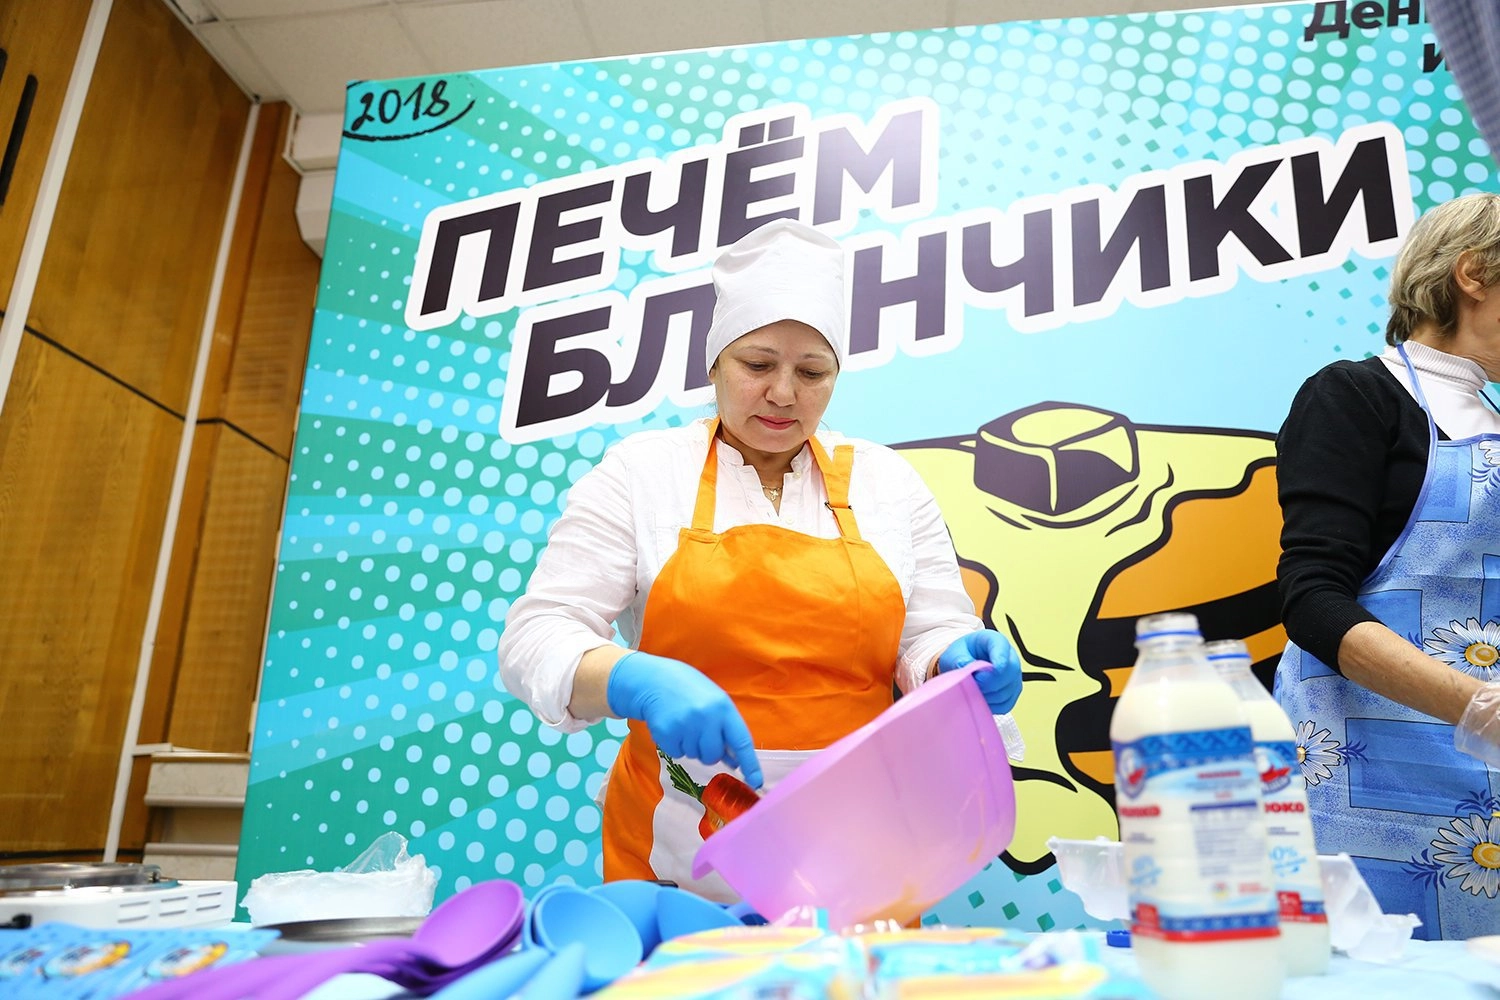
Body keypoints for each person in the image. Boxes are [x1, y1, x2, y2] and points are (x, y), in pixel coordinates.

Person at [499, 218, 1023, 898]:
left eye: (812, 372)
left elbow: (929, 631)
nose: (783, 393)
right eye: (757, 365)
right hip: (676, 862)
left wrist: (951, 660)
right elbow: (537, 635)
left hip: (856, 856)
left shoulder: (887, 483)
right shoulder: (643, 473)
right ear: (714, 363)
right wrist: (631, 678)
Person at [1275, 192, 1500, 941]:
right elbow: (1312, 600)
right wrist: (1477, 706)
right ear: (1473, 273)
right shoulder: (1355, 396)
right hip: (1368, 772)